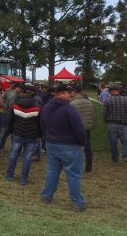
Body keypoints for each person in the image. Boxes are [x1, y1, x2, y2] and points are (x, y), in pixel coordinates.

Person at [40, 84, 87, 212]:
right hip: (69, 145)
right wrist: (83, 142)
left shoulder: (47, 107)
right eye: (68, 93)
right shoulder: (68, 109)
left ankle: (46, 196)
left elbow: (43, 124)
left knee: (52, 171)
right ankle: (78, 202)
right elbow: (79, 128)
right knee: (73, 175)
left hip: (51, 143)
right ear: (60, 94)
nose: (71, 95)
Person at [5, 86, 41, 184]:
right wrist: (39, 134)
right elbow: (40, 122)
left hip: (17, 133)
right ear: (31, 94)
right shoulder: (37, 106)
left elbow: (9, 120)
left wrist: (12, 130)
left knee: (13, 154)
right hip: (32, 135)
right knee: (28, 157)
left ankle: (9, 175)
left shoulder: (15, 105)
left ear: (21, 93)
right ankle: (23, 179)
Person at [103, 85, 127, 164]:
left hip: (112, 123)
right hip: (123, 124)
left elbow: (104, 113)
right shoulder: (126, 100)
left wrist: (107, 121)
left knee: (113, 142)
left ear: (111, 91)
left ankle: (115, 159)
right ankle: (126, 156)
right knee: (125, 141)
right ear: (118, 91)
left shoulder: (107, 100)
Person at [70, 87, 95, 173]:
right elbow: (93, 116)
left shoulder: (72, 103)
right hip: (87, 128)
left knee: (76, 147)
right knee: (88, 148)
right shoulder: (89, 102)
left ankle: (76, 167)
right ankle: (89, 168)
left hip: (76, 129)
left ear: (75, 93)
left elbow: (71, 117)